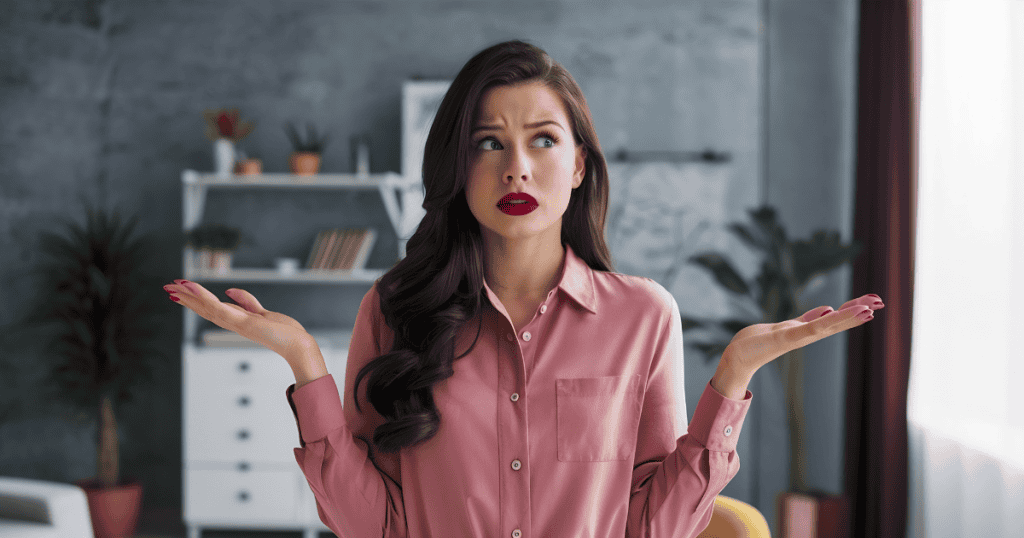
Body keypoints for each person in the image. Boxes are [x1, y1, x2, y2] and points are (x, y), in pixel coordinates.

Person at [164, 39, 884, 538]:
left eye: (543, 139)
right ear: (458, 165)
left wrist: (733, 378)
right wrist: (304, 364)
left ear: (577, 166)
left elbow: (654, 528)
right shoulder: (392, 309)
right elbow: (369, 527)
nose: (516, 168)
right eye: (488, 142)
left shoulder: (643, 316)